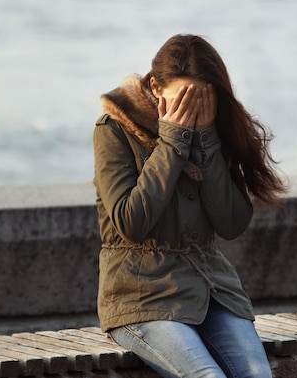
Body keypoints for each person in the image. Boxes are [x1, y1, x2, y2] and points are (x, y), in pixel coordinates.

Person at [92, 34, 287, 378]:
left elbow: (231, 224)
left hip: (212, 291)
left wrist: (208, 141)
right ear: (155, 86)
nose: (191, 109)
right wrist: (172, 141)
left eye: (199, 99)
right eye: (182, 98)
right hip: (141, 296)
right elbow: (130, 221)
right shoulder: (114, 129)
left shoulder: (212, 129)